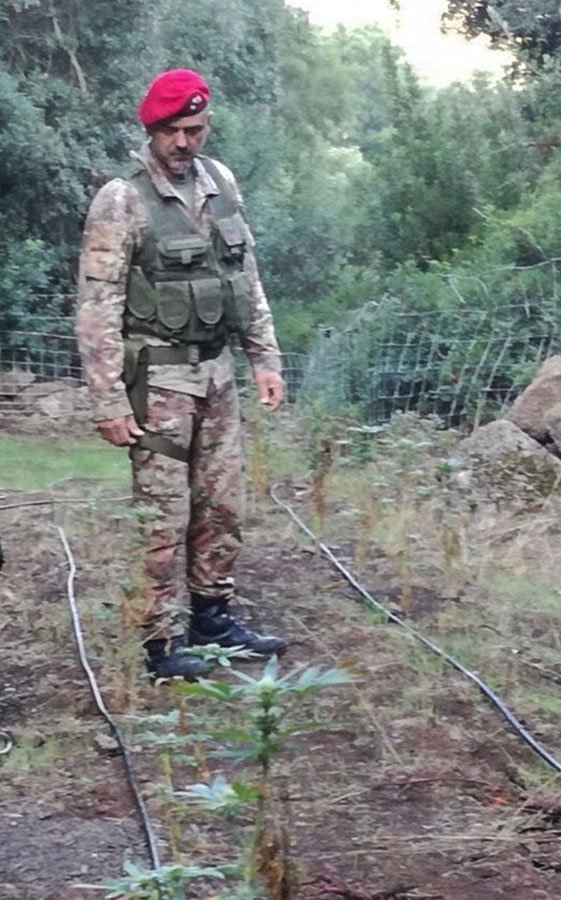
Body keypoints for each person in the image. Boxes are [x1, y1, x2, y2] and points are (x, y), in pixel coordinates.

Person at [76, 68, 287, 680]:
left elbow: (245, 280)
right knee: (163, 517)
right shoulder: (122, 200)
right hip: (160, 385)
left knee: (222, 506)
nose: (185, 143)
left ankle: (214, 618)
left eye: (195, 129)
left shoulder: (222, 182)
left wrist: (264, 358)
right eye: (174, 131)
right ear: (153, 130)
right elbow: (97, 306)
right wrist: (108, 399)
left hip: (217, 376)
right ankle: (160, 643)